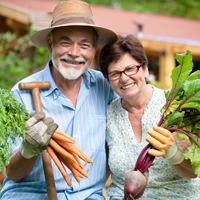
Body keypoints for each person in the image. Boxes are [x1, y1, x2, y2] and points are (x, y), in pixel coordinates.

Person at [0, 0, 118, 199]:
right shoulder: (21, 94)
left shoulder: (106, 87)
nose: (74, 52)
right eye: (65, 42)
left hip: (88, 195)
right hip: (29, 194)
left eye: (84, 45)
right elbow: (12, 173)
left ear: (93, 50)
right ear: (50, 45)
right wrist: (28, 150)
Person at [99, 35, 200, 199]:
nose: (124, 78)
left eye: (130, 69)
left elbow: (192, 173)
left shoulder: (175, 107)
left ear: (145, 69)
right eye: (115, 73)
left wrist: (173, 153)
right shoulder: (108, 115)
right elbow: (100, 173)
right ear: (108, 79)